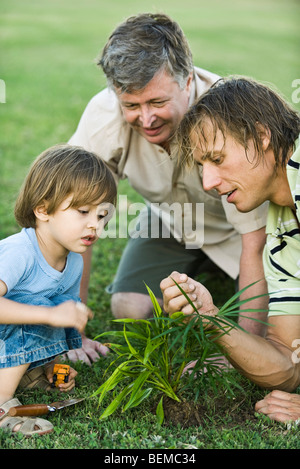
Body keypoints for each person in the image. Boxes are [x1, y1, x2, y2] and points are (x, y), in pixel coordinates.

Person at [68, 14, 269, 365]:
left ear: (188, 80)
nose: (145, 120)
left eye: (157, 103)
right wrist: (73, 329)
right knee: (128, 307)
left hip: (245, 232)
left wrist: (244, 355)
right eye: (131, 105)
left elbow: (255, 241)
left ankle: (221, 279)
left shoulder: (228, 117)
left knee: (265, 297)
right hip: (173, 221)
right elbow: (77, 219)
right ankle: (202, 272)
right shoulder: (103, 116)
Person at [160, 77, 300, 423]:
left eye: (218, 158)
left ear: (261, 136)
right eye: (203, 167)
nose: (208, 182)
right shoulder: (281, 226)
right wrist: (210, 318)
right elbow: (287, 366)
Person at [0, 144, 117, 436]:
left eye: (102, 215)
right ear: (42, 209)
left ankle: (29, 373)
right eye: (83, 211)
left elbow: (53, 311)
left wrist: (51, 364)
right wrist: (50, 315)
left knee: (60, 305)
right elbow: (41, 313)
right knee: (44, 307)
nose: (95, 225)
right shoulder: (19, 253)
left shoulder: (73, 262)